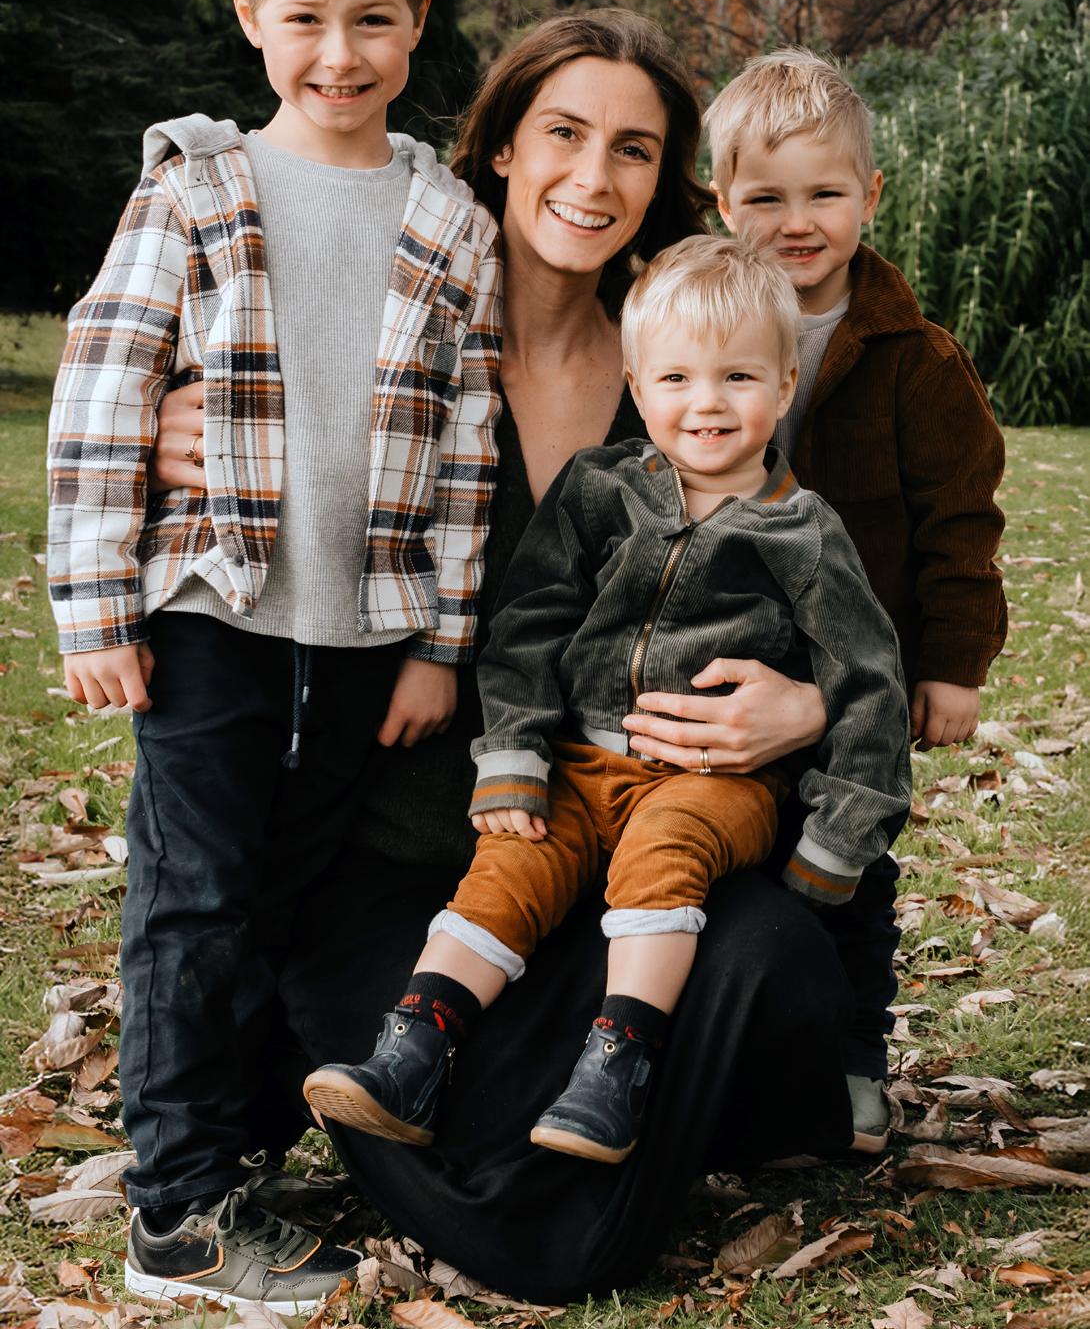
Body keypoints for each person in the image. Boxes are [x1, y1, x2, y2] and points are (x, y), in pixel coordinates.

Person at [151, 11, 860, 1302]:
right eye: (562, 133)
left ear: (663, 178)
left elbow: (831, 566)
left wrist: (806, 705)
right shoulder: (390, 333)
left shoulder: (686, 369)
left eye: (632, 148)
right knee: (519, 1220)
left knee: (771, 956)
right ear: (499, 146)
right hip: (403, 863)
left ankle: (659, 1091)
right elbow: (222, 373)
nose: (593, 176)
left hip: (621, 845)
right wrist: (163, 426)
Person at [46, 0, 502, 1313]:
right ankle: (175, 1212)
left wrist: (440, 644)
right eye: (304, 18)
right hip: (209, 613)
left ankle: (229, 1147)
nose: (338, 53)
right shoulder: (197, 187)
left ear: (417, 18)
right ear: (249, 13)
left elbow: (467, 450)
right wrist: (96, 608)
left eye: (371, 20)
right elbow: (105, 392)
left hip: (363, 631)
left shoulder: (449, 222)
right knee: (190, 896)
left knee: (280, 897)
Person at [302, 235, 911, 1166]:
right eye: (676, 378)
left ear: (785, 384)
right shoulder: (602, 491)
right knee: (511, 862)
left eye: (738, 377)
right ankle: (413, 1051)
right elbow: (530, 625)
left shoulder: (802, 533)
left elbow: (871, 682)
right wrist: (514, 752)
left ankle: (616, 1067)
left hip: (713, 782)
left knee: (665, 854)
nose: (706, 403)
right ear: (637, 384)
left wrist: (835, 841)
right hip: (583, 761)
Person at [702, 46, 1007, 1146]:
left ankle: (852, 1059)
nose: (797, 223)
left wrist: (952, 666)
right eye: (765, 198)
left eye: (824, 194)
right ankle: (731, 1057)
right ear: (720, 201)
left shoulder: (915, 361)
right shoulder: (697, 330)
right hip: (726, 654)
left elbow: (960, 523)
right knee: (734, 857)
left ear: (869, 195)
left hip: (860, 675)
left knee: (850, 868)